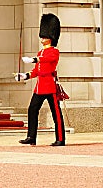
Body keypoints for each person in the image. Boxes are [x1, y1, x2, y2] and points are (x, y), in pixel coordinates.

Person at [15, 13, 65, 146]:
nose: (42, 38)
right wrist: (25, 75)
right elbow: (37, 71)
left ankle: (60, 138)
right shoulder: (40, 52)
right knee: (32, 109)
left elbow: (47, 60)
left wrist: (34, 60)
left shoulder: (54, 51)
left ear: (51, 37)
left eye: (45, 36)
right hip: (40, 87)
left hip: (50, 86)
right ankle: (31, 136)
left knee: (56, 114)